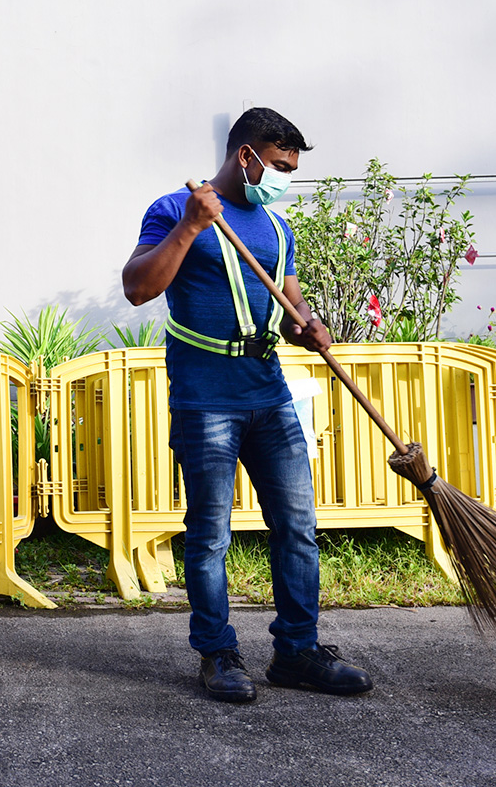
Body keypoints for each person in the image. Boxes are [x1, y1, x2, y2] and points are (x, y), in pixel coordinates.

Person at [121, 107, 373, 703]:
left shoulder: (277, 229)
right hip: (205, 399)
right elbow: (137, 287)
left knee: (298, 527)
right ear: (246, 155)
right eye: (279, 165)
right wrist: (190, 226)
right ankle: (217, 653)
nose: (283, 177)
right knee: (210, 535)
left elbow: (290, 306)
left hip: (270, 394)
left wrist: (308, 326)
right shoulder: (173, 209)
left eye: (291, 169)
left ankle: (298, 652)